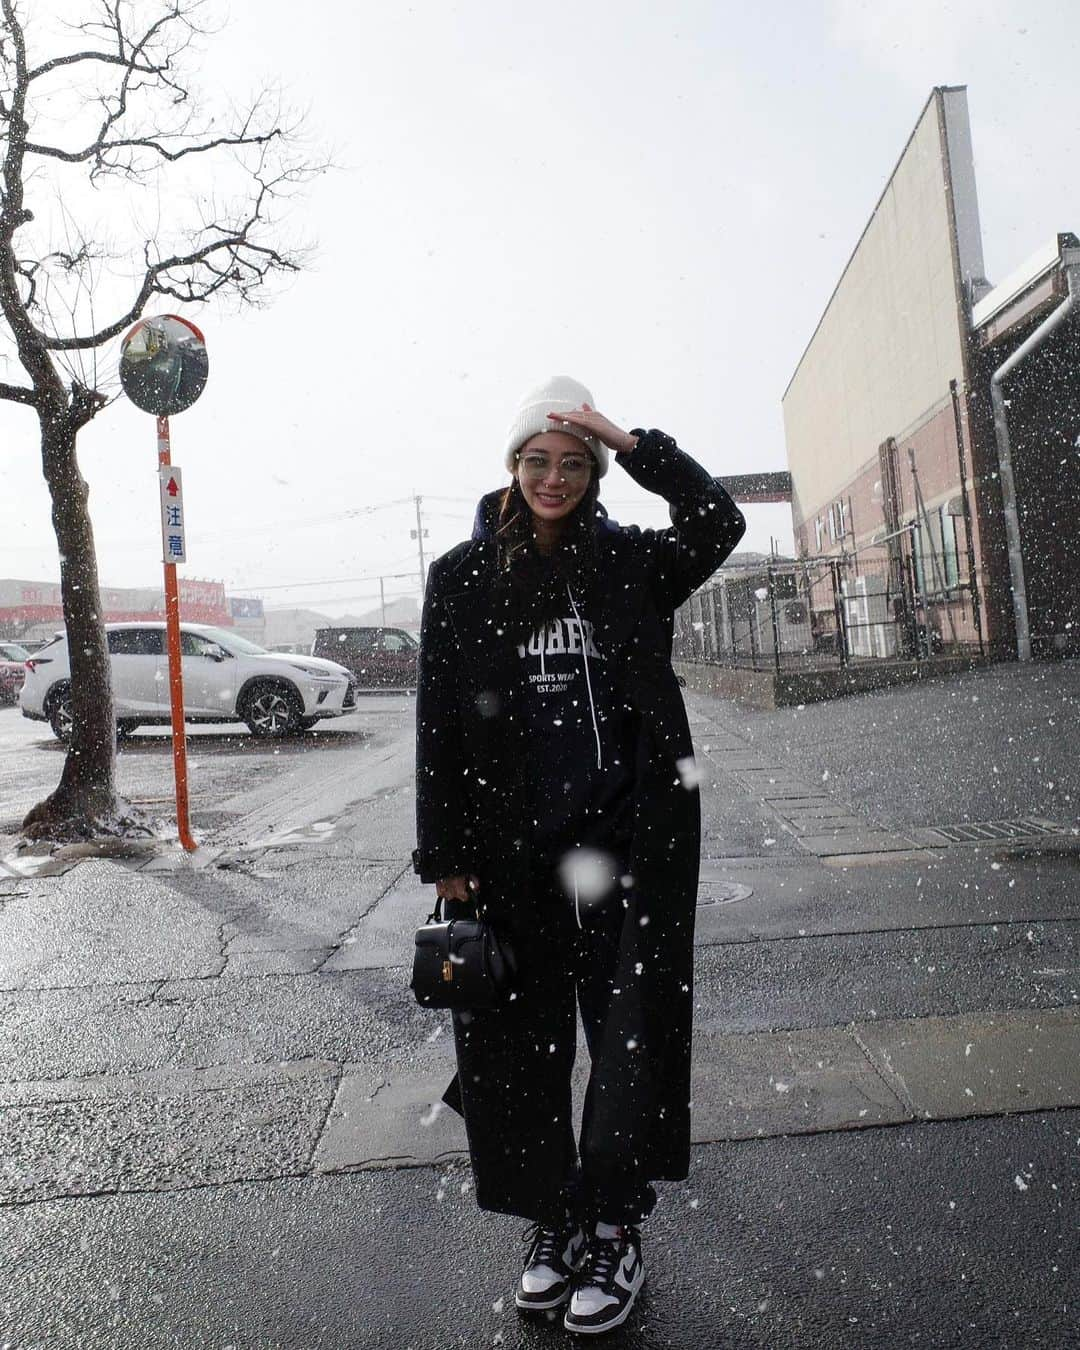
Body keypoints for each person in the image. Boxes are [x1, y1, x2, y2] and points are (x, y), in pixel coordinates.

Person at [412, 375, 745, 1335]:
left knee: (630, 1042)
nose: (553, 478)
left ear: (593, 474)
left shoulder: (631, 563)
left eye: (572, 463)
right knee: (516, 1050)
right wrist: (444, 855)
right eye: (537, 461)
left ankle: (614, 1223)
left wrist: (628, 438)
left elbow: (715, 518)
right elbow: (437, 724)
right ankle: (553, 1222)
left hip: (629, 846)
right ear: (511, 470)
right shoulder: (463, 577)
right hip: (512, 860)